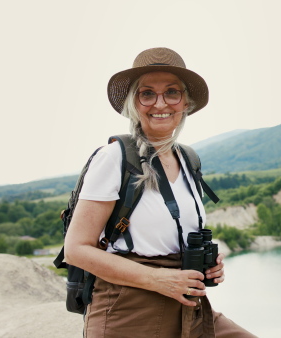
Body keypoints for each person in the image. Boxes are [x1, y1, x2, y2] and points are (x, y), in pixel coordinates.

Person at [64, 47, 256, 338]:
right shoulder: (114, 157)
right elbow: (76, 249)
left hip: (187, 305)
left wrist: (209, 265)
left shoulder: (188, 159)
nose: (160, 103)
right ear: (133, 103)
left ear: (185, 103)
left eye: (171, 92)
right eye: (147, 93)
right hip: (129, 310)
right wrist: (158, 279)